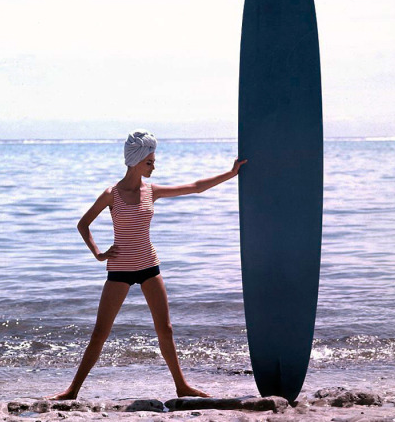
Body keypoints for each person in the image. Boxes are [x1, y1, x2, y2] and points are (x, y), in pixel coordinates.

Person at [48, 129, 247, 400]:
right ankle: (72, 390)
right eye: (150, 162)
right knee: (100, 332)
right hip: (119, 270)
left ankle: (181, 386)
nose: (154, 166)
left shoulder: (151, 191)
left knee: (165, 329)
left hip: (149, 266)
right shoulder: (111, 195)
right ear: (136, 161)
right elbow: (83, 224)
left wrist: (230, 174)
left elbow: (196, 187)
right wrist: (97, 253)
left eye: (153, 161)